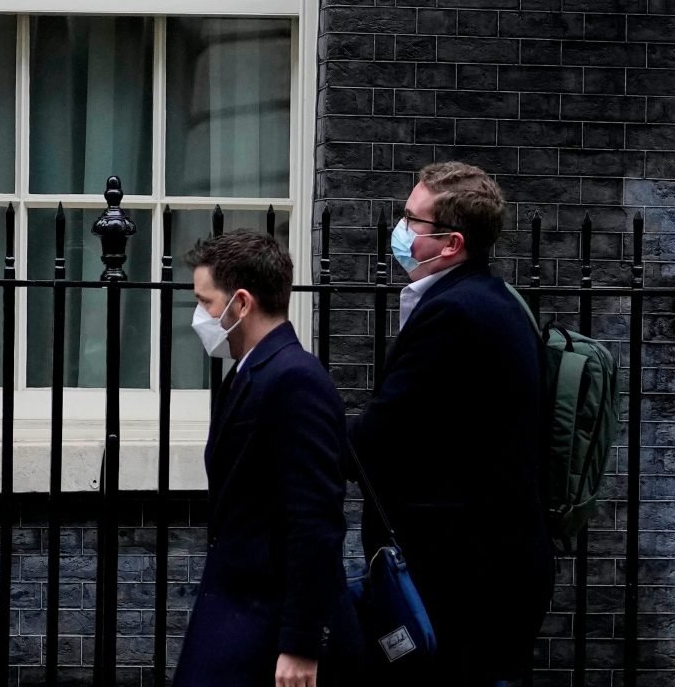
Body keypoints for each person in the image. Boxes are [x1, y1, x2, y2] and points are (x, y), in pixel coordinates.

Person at [351, 161, 552, 685]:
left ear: (451, 243)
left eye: (412, 221)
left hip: (459, 577)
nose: (400, 230)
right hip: (492, 569)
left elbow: (380, 436)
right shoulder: (494, 299)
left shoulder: (453, 314)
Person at [173, 230, 360, 687]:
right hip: (240, 607)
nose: (202, 316)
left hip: (265, 617)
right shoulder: (251, 371)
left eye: (207, 301)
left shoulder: (296, 379)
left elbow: (315, 520)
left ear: (241, 303)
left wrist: (299, 643)